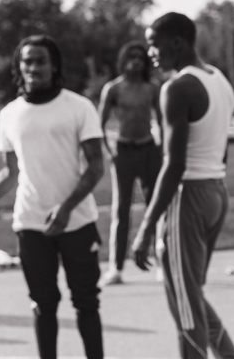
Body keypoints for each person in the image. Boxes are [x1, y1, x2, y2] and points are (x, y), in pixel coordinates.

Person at [0, 34, 105, 359]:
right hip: (31, 223)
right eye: (27, 61)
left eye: (40, 60)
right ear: (19, 66)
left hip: (76, 221)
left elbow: (95, 167)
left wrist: (65, 209)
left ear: (54, 65)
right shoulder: (9, 114)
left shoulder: (78, 107)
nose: (33, 67)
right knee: (43, 305)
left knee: (86, 303)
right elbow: (10, 173)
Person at [132, 13, 234, 359]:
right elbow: (220, 150)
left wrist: (147, 227)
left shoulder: (177, 88)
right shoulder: (219, 80)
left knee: (185, 309)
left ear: (176, 42)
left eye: (153, 43)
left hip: (188, 199)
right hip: (215, 192)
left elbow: (174, 164)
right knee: (191, 295)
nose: (149, 52)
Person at [98, 41, 162, 285]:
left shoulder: (152, 88)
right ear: (123, 61)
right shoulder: (114, 89)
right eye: (131, 57)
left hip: (148, 149)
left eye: (140, 58)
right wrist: (108, 152)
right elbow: (99, 124)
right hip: (123, 151)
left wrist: (162, 146)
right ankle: (116, 268)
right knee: (121, 210)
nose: (135, 62)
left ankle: (160, 262)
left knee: (155, 207)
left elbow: (163, 121)